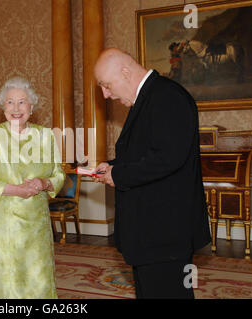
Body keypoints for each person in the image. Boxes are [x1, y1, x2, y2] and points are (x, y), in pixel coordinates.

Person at [93, 48, 211, 299]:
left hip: (164, 234)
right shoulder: (149, 98)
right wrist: (113, 166)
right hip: (150, 234)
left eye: (106, 85)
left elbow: (168, 158)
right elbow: (147, 153)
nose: (105, 94)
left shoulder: (167, 97)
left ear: (125, 72)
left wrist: (120, 175)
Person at [0, 77, 65, 299]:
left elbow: (59, 174)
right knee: (4, 284)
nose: (16, 108)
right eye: (10, 102)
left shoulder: (45, 136)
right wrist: (15, 190)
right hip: (3, 227)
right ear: (3, 106)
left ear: (32, 107)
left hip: (36, 227)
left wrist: (44, 183)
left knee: (38, 281)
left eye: (22, 102)